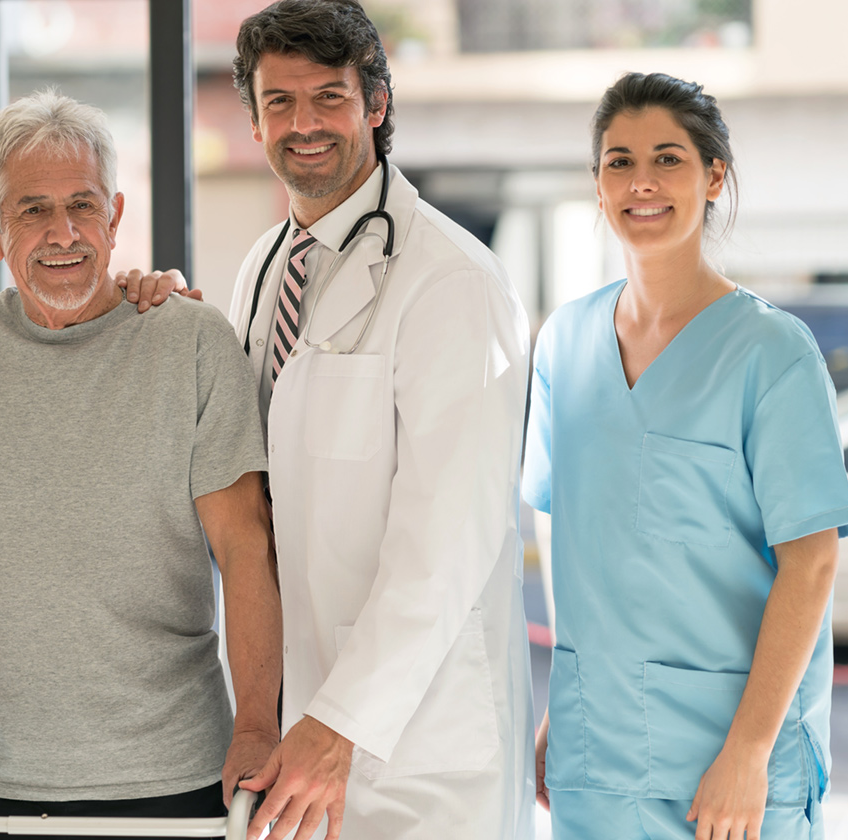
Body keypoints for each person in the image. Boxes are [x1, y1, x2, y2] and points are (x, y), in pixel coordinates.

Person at [0, 90, 283, 839]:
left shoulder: (191, 343)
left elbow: (245, 546)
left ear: (115, 217)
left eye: (83, 206)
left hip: (174, 771)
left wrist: (255, 723)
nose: (63, 234)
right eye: (32, 210)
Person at [230, 2, 537, 837]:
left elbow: (449, 539)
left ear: (376, 104)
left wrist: (343, 723)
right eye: (279, 102)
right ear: (254, 121)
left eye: (329, 97)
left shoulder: (452, 281)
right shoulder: (263, 267)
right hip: (305, 728)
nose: (304, 125)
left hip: (415, 739)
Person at [524, 72, 848, 840]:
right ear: (597, 184)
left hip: (731, 765)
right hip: (593, 751)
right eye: (619, 161)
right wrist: (561, 703)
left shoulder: (770, 353)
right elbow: (563, 531)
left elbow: (810, 562)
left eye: (668, 158)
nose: (641, 182)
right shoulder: (564, 342)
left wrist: (748, 750)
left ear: (714, 176)